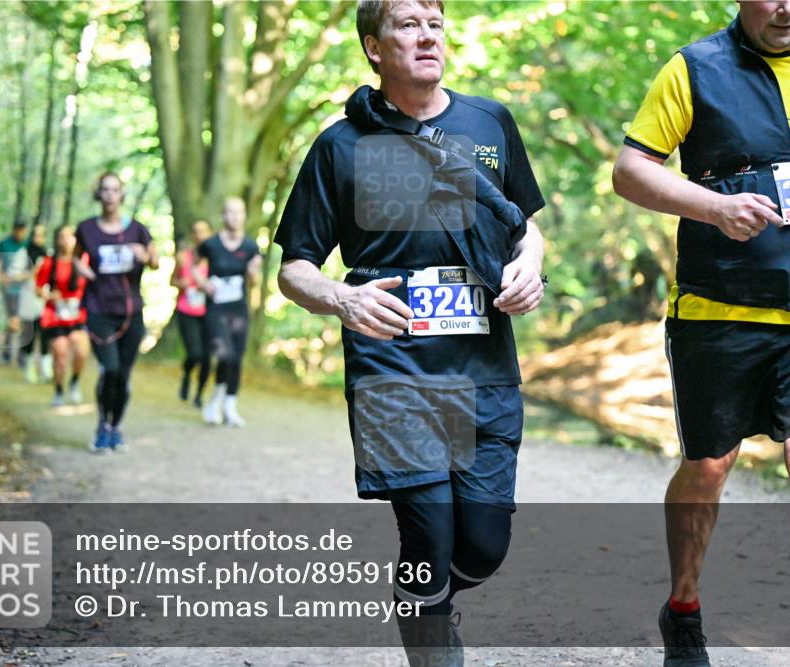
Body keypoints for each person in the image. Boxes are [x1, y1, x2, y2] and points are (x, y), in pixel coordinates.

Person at [275, 2, 545, 664]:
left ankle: (426, 606)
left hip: (483, 363)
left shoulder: (490, 122)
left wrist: (529, 266)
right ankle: (432, 642)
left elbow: (526, 226)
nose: (426, 35)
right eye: (407, 23)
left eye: (435, 21)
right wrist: (340, 297)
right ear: (373, 46)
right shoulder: (340, 145)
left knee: (482, 546)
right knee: (428, 536)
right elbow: (294, 268)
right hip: (394, 368)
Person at [612, 2, 790, 666]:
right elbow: (630, 170)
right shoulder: (694, 69)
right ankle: (683, 605)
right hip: (719, 310)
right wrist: (715, 206)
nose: (788, 8)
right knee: (709, 466)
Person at [74, 171, 159, 453]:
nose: (110, 195)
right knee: (109, 369)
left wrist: (143, 255)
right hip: (99, 309)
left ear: (122, 195)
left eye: (115, 190)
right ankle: (101, 425)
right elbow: (75, 256)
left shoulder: (138, 229)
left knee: (123, 374)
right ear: (99, 195)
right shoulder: (86, 229)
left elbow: (155, 261)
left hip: (131, 312)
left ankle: (115, 427)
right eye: (105, 190)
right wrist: (83, 270)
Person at [195, 198, 261, 427]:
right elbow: (194, 266)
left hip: (238, 307)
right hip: (216, 307)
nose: (234, 217)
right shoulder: (210, 244)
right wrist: (202, 282)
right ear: (223, 216)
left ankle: (230, 406)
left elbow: (254, 279)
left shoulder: (251, 247)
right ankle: (215, 398)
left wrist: (253, 273)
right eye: (229, 213)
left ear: (244, 216)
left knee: (237, 358)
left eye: (238, 212)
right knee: (225, 354)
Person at [36, 224, 90, 407]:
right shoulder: (49, 263)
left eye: (70, 236)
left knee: (81, 351)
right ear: (57, 240)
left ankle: (74, 381)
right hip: (55, 316)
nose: (66, 240)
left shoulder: (84, 260)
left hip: (78, 315)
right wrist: (50, 296)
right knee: (60, 354)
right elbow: (37, 288)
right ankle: (59, 390)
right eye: (62, 236)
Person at [171, 220, 214, 408]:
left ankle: (199, 394)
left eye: (203, 231)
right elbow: (172, 280)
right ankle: (187, 374)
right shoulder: (183, 257)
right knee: (194, 354)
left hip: (210, 313)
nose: (199, 235)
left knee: (207, 357)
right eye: (196, 232)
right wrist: (183, 284)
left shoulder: (215, 259)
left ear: (210, 234)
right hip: (187, 311)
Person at [0, 219, 30, 365]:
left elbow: (37, 264)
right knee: (13, 318)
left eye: (23, 230)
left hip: (25, 289)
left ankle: (21, 352)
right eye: (18, 229)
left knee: (22, 320)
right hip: (9, 288)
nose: (21, 233)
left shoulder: (28, 244)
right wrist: (2, 276)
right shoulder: (4, 243)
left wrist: (25, 276)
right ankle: (8, 350)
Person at [19, 223, 52, 383]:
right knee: (30, 334)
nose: (38, 238)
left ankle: (46, 370)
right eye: (35, 235)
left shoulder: (48, 255)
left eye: (41, 235)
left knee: (45, 334)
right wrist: (33, 272)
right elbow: (15, 276)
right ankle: (29, 369)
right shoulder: (23, 253)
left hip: (43, 299)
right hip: (28, 297)